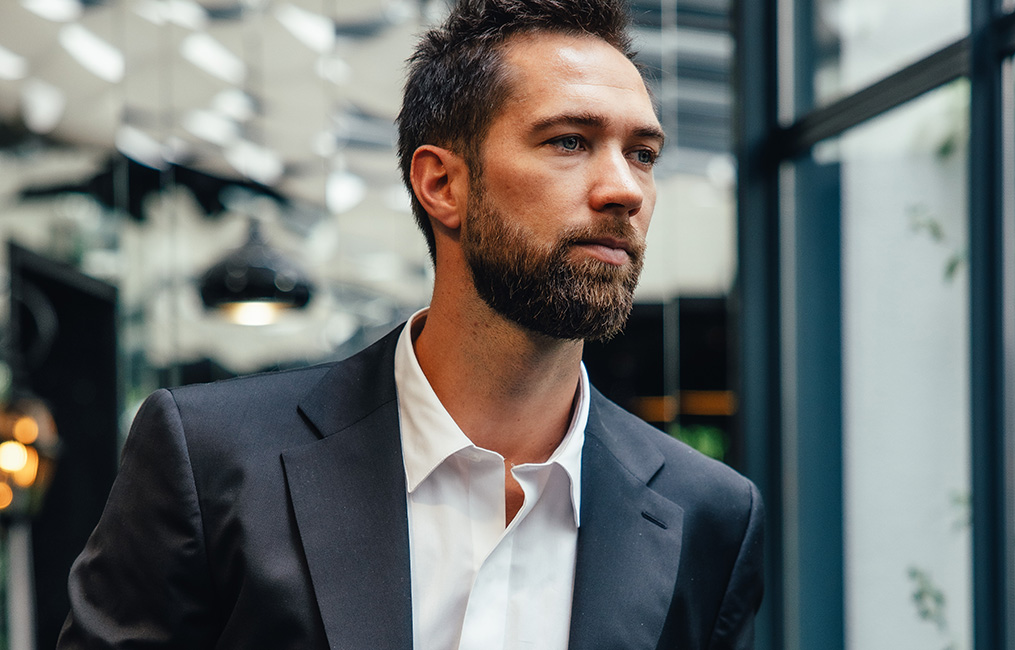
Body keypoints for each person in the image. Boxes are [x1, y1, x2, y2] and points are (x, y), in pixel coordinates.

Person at [57, 0, 764, 647]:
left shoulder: (706, 515)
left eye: (643, 153)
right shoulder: (213, 462)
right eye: (569, 141)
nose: (624, 190)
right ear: (442, 184)